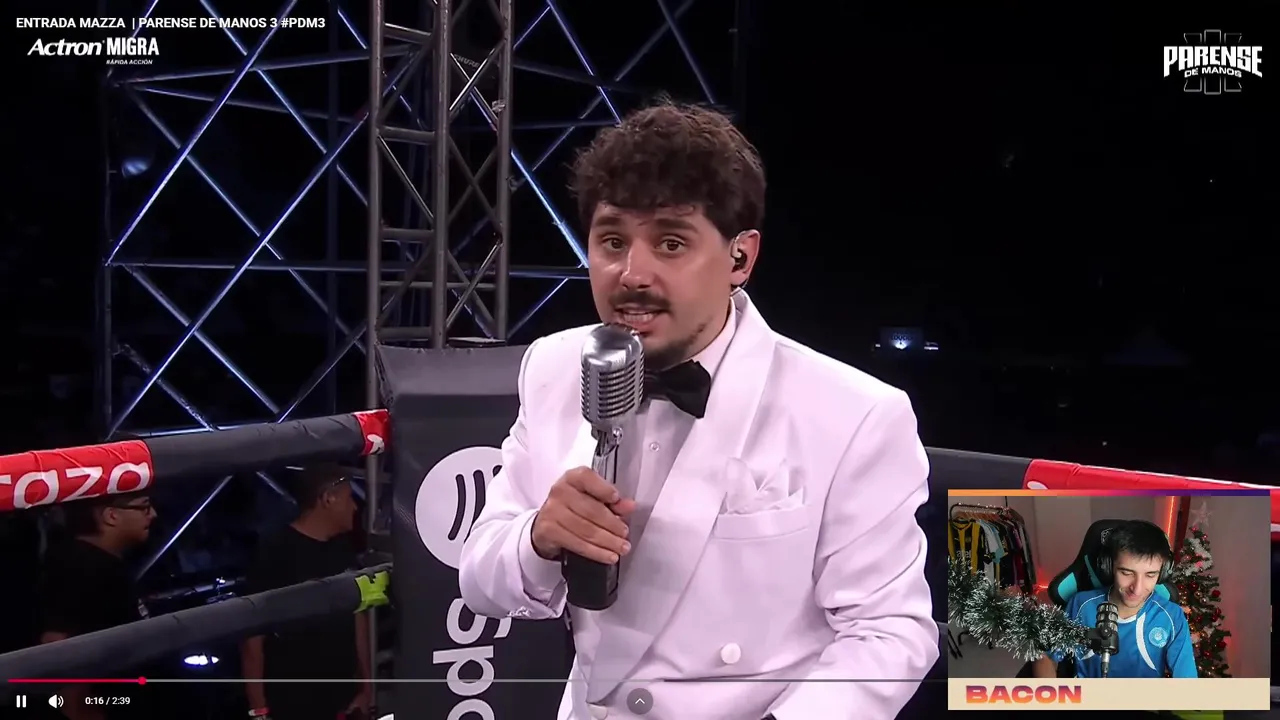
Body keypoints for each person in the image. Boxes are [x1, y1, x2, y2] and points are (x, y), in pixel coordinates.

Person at [458, 102, 938, 720]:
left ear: (740, 258)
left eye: (671, 243)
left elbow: (890, 633)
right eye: (612, 241)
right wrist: (537, 538)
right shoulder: (553, 366)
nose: (633, 274)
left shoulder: (854, 414)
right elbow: (481, 581)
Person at [240, 465, 372, 720]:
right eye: (349, 498)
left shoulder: (342, 548)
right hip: (294, 704)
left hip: (344, 701)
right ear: (328, 499)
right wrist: (258, 710)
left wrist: (366, 686)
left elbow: (357, 616)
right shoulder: (275, 552)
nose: (355, 507)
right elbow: (252, 639)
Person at [34, 492, 157, 720]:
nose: (153, 515)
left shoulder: (103, 562)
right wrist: (81, 711)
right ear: (111, 515)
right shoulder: (80, 567)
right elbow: (57, 645)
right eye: (144, 507)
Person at [1033, 520, 1197, 678]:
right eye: (1126, 573)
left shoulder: (1173, 616)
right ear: (1109, 567)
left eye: (1150, 575)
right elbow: (1045, 657)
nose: (1137, 589)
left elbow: (1187, 681)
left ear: (1162, 573)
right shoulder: (1080, 605)